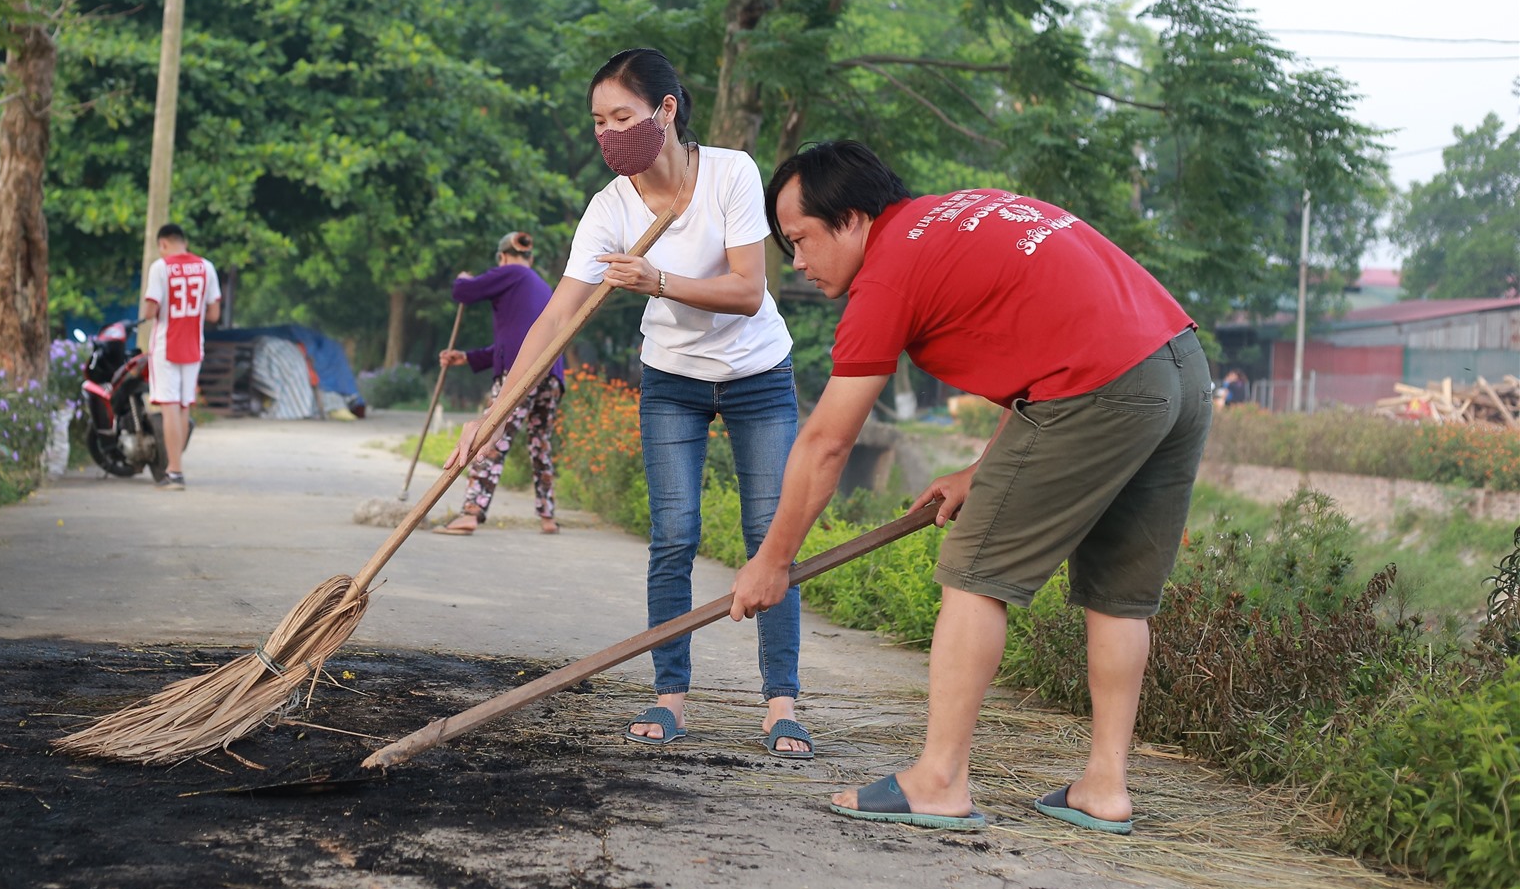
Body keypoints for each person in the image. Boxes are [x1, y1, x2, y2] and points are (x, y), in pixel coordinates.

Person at [729, 141, 1208, 832]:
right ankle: (1105, 787)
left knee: (973, 574)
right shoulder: (960, 214)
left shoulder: (887, 276)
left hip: (1104, 385)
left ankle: (940, 779)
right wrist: (980, 473)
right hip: (1180, 366)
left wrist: (772, 562)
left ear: (854, 219)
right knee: (1118, 596)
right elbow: (1051, 343)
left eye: (800, 240)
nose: (796, 262)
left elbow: (827, 441)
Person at [450, 49, 812, 757]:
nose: (608, 133)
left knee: (771, 537)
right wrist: (491, 416)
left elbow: (747, 292)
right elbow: (557, 319)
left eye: (622, 117)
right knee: (673, 536)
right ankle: (669, 696)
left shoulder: (732, 173)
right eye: (598, 122)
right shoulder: (609, 208)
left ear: (666, 110)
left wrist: (657, 280)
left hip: (756, 372)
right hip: (671, 379)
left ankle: (781, 702)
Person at [434, 231, 566, 536]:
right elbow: (521, 342)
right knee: (540, 444)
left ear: (502, 257)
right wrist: (468, 358)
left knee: (491, 434)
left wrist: (464, 279)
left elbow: (464, 292)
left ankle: (471, 512)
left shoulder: (512, 272)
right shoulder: (539, 285)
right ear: (529, 257)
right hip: (552, 374)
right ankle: (548, 517)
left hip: (523, 375)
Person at [141, 222, 222, 488]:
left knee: (169, 408)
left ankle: (174, 471)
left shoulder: (160, 268)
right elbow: (213, 314)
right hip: (193, 346)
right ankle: (177, 466)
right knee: (184, 406)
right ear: (183, 241)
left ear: (163, 244)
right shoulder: (206, 267)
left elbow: (151, 311)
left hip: (166, 346)